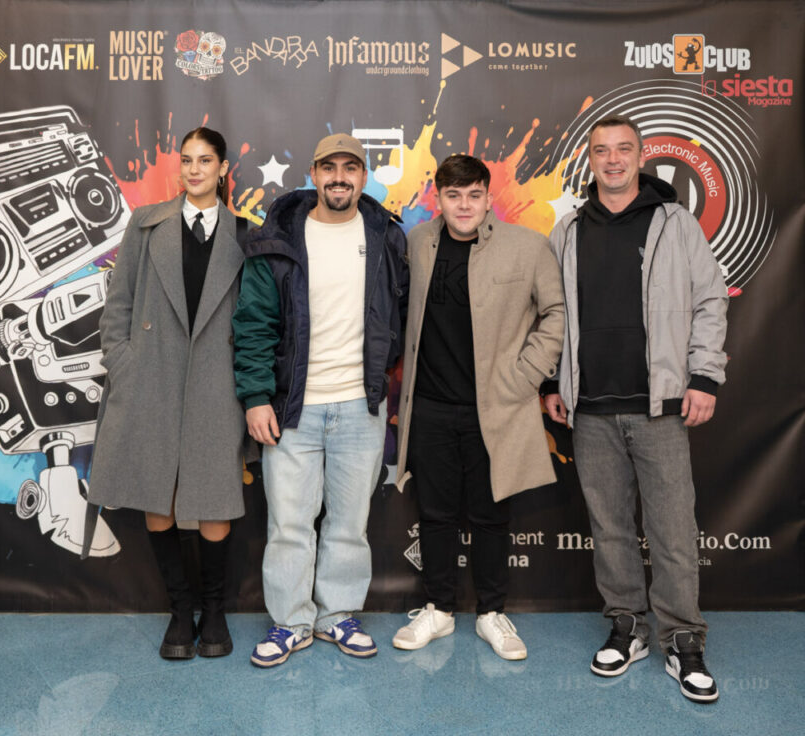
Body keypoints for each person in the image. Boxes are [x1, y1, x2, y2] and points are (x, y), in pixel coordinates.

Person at [544, 114, 728, 703]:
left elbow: (709, 300)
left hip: (661, 405)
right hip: (590, 407)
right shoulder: (569, 229)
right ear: (590, 159)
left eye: (624, 149)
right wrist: (551, 381)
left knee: (672, 527)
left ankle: (682, 637)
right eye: (602, 150)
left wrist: (704, 376)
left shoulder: (676, 222)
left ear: (641, 156)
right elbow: (551, 314)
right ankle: (626, 626)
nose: (613, 159)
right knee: (610, 527)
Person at [232, 133, 409, 667]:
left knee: (349, 525)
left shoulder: (386, 236)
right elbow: (254, 323)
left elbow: (398, 314)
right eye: (329, 167)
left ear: (363, 176)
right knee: (289, 525)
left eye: (350, 168)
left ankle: (338, 615)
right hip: (293, 408)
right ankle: (291, 622)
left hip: (361, 406)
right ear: (313, 173)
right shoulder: (279, 238)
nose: (339, 177)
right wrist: (256, 396)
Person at [391, 154, 564, 659]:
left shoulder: (527, 246)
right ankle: (439, 609)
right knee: (436, 514)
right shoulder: (417, 243)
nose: (463, 205)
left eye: (473, 195)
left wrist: (526, 376)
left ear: (489, 198)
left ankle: (491, 613)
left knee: (491, 515)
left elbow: (555, 314)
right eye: (453, 195)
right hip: (430, 406)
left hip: (498, 407)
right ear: (438, 199)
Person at [88, 127, 251, 660]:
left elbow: (252, 316)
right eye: (187, 160)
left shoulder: (244, 233)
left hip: (216, 382)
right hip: (152, 377)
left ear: (222, 169)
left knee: (215, 498)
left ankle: (214, 611)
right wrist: (124, 364)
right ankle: (180, 611)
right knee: (159, 493)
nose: (194, 169)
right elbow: (119, 303)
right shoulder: (146, 223)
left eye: (205, 160)